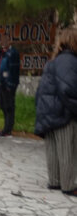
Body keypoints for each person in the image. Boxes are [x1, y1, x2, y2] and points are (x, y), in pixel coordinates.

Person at [35, 28, 77, 196]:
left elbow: (40, 90)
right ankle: (68, 185)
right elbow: (69, 90)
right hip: (62, 112)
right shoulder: (70, 61)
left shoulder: (54, 61)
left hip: (46, 110)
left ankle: (55, 181)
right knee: (67, 148)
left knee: (52, 148)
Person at [0, 34, 20, 137]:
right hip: (1, 84)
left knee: (9, 107)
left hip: (8, 85)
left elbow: (13, 70)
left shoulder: (13, 53)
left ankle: (8, 129)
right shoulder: (1, 53)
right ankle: (5, 128)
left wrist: (10, 84)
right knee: (3, 106)